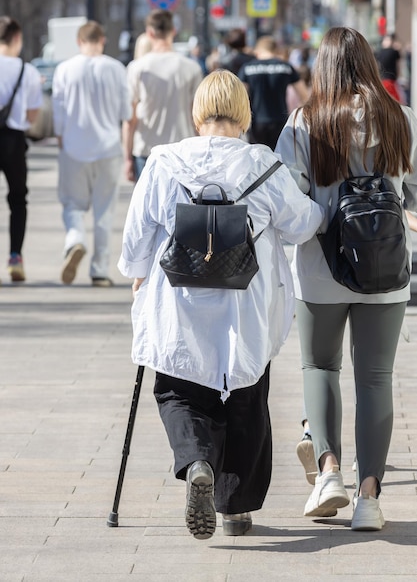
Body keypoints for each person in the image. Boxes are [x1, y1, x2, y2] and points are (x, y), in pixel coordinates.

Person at [117, 69, 324, 540]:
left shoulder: (164, 162)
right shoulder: (262, 164)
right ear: (244, 113)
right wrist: (322, 207)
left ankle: (195, 463)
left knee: (177, 390)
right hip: (246, 305)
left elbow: (136, 238)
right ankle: (236, 508)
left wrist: (137, 274)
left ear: (196, 112)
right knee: (247, 398)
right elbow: (301, 225)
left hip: (179, 299)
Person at [276, 26, 417, 531]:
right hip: (386, 267)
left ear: (325, 66)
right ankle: (371, 499)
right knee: (376, 379)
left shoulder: (304, 123)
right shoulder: (400, 119)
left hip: (322, 266)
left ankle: (329, 473)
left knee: (319, 367)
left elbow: (286, 197)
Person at [52, 20, 131, 287]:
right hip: (108, 147)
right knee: (104, 211)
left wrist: (61, 137)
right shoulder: (116, 68)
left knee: (72, 204)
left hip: (73, 146)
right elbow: (126, 113)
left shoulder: (64, 69)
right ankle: (99, 271)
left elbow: (58, 109)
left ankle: (75, 238)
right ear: (103, 40)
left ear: (79, 41)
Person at [123, 9, 203, 183]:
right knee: (180, 207)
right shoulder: (191, 67)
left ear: (149, 33)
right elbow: (198, 114)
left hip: (146, 148)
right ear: (173, 31)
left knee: (148, 206)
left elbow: (130, 118)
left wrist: (127, 158)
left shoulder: (137, 67)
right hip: (183, 148)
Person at [0, 16, 43, 283]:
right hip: (14, 140)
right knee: (18, 199)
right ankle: (15, 256)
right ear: (17, 38)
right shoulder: (26, 71)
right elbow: (32, 114)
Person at [238, 36, 309, 150]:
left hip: (256, 122)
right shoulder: (286, 67)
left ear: (258, 50)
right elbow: (304, 95)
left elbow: (239, 98)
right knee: (279, 159)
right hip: (281, 121)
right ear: (275, 50)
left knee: (258, 159)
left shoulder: (247, 68)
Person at [375, 33, 403, 103]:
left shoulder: (379, 53)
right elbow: (398, 65)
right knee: (397, 100)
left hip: (381, 79)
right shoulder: (394, 52)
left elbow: (377, 66)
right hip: (391, 79)